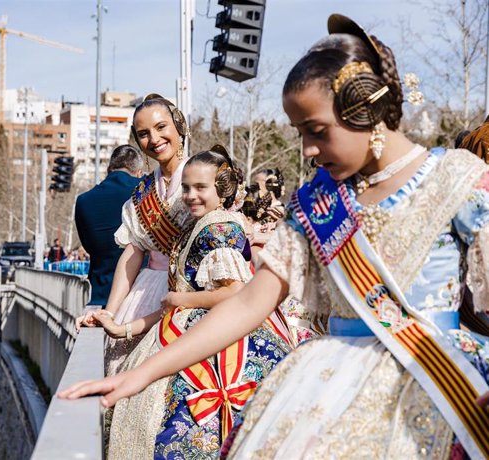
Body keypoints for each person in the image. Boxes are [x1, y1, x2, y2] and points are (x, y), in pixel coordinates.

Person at [60, 14, 489, 458]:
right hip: (331, 393)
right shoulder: (316, 203)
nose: (306, 149)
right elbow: (248, 302)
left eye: (317, 131)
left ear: (368, 109)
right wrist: (142, 374)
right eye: (300, 133)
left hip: (443, 387)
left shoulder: (457, 179)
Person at [90, 146, 291, 459]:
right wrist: (124, 328)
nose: (191, 195)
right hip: (186, 328)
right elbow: (172, 307)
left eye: (201, 188)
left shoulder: (219, 227)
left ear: (222, 190)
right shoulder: (199, 225)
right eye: (186, 188)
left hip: (219, 342)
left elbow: (234, 292)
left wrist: (180, 298)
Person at [79, 94, 195, 376]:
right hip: (147, 294)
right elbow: (132, 255)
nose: (154, 139)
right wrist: (110, 311)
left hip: (194, 293)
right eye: (143, 134)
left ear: (178, 126)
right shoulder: (141, 193)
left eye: (161, 127)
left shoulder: (204, 177)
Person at [74, 145, 144, 307]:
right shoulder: (145, 191)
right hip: (139, 293)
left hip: (100, 293)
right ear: (138, 171)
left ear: (108, 169)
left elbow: (88, 245)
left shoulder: (83, 200)